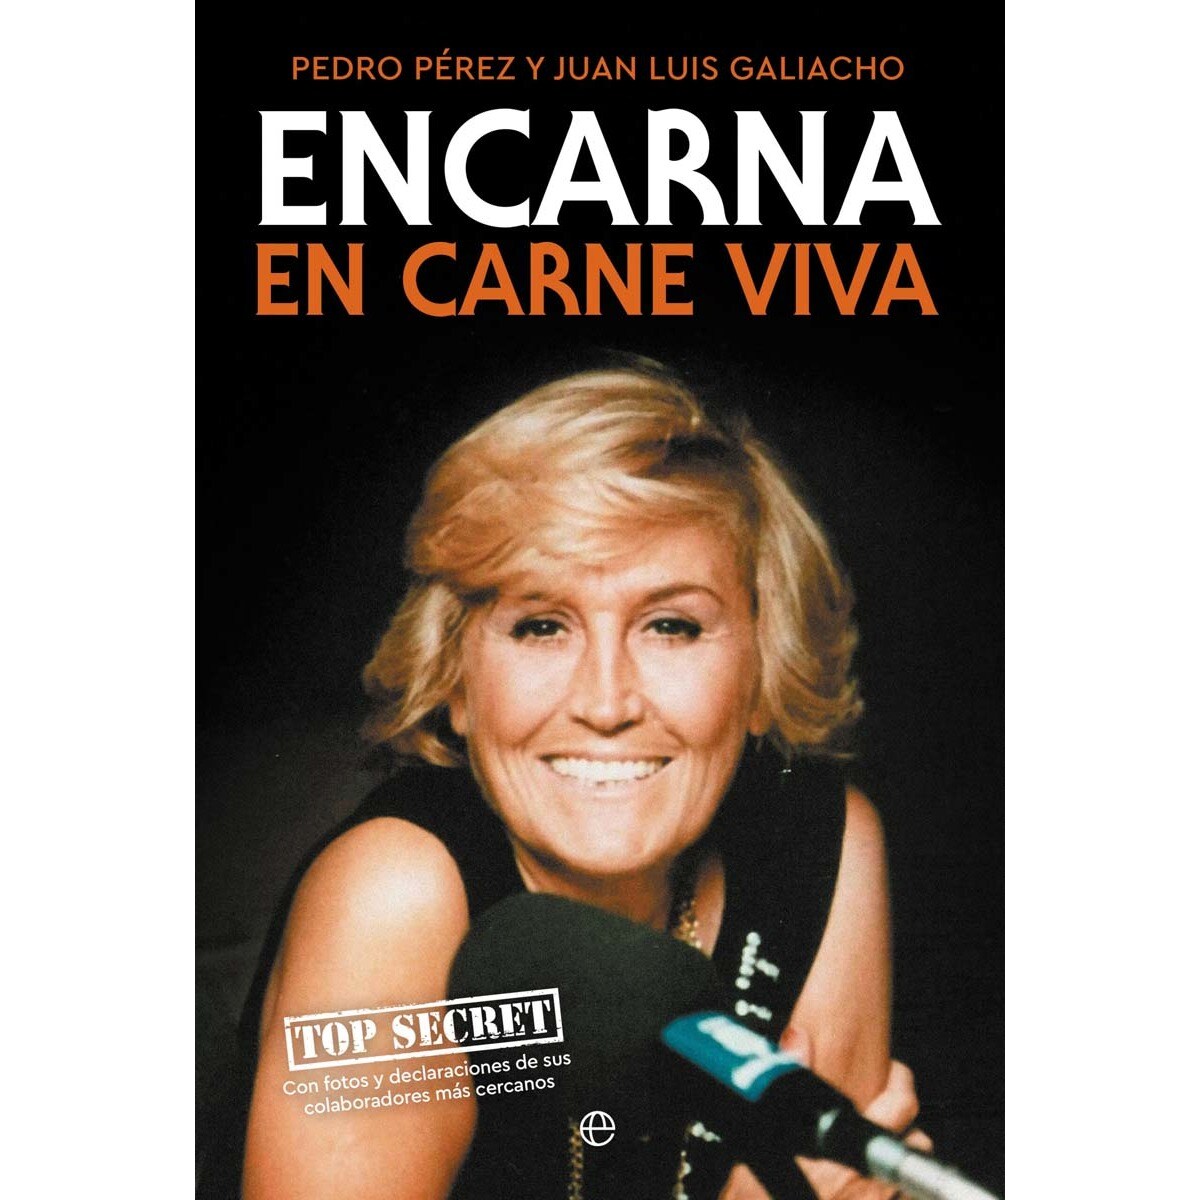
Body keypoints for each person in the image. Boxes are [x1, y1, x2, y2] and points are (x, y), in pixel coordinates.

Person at [235, 367, 929, 1200]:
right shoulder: (394, 897)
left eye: (671, 626)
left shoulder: (822, 842)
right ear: (455, 679)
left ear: (761, 669)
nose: (606, 703)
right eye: (541, 626)